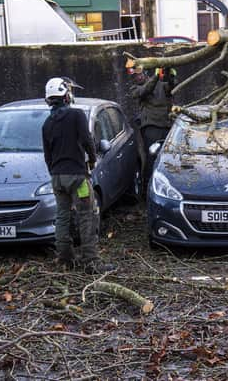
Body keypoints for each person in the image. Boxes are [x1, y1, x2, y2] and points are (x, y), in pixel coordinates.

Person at [42, 77, 114, 274]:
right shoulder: (77, 115)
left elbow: (47, 155)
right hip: (78, 177)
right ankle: (91, 262)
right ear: (66, 95)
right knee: (87, 216)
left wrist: (55, 172)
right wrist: (92, 159)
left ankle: (65, 260)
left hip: (57, 178)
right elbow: (87, 140)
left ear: (49, 100)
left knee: (62, 217)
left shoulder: (47, 124)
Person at [130, 67, 177, 176]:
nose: (139, 77)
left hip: (166, 126)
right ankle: (148, 185)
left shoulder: (160, 84)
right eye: (136, 76)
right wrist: (156, 76)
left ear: (145, 74)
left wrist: (171, 76)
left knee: (169, 157)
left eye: (140, 74)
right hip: (151, 128)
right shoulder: (135, 90)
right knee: (151, 158)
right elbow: (146, 89)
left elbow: (171, 87)